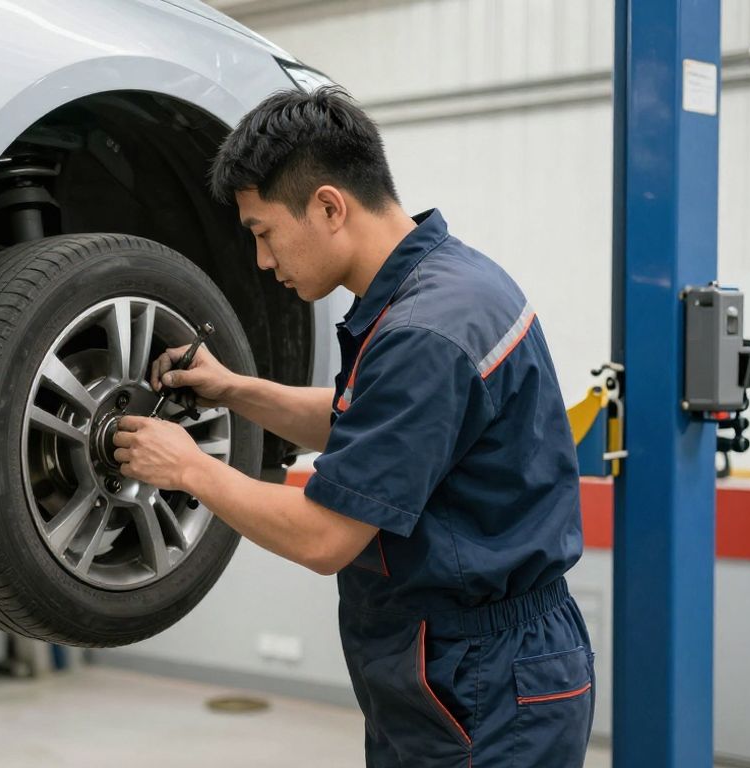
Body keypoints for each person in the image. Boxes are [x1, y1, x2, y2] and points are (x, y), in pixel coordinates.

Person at [112, 86, 595, 767]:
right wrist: (233, 389)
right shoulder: (443, 286)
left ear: (329, 206)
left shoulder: (426, 332)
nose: (262, 260)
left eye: (262, 231)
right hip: (460, 664)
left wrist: (188, 467)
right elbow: (371, 427)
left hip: (484, 678)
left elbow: (324, 536)